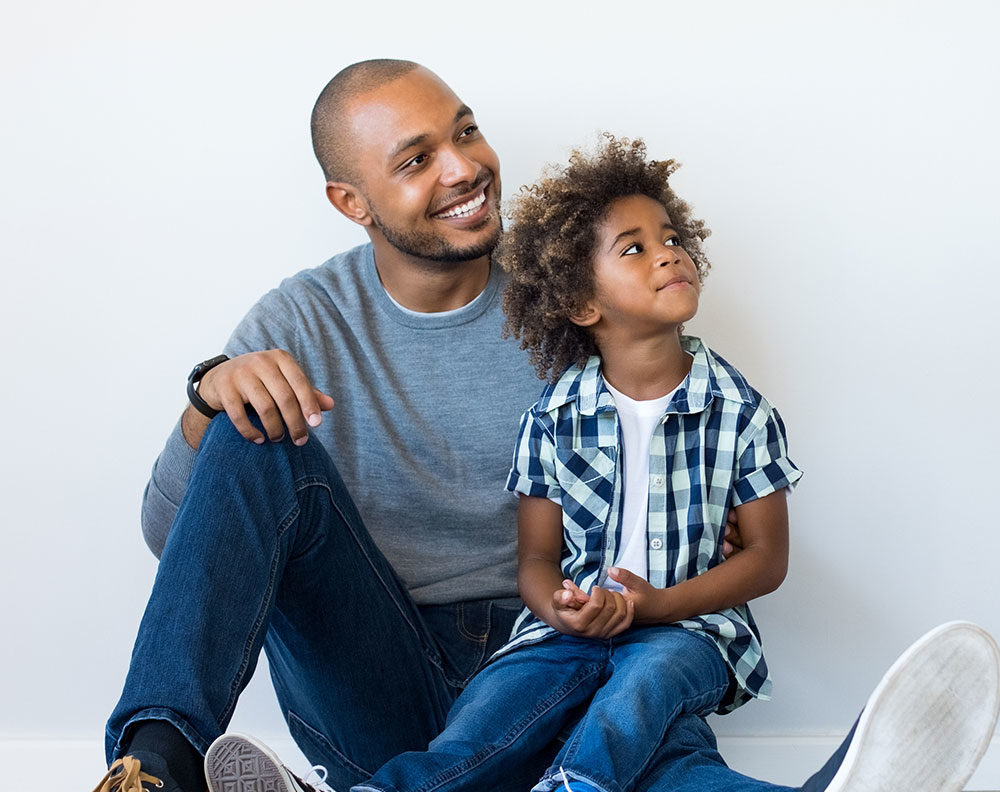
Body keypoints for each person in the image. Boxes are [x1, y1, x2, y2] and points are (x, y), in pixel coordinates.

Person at [93, 60, 1000, 792]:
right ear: (351, 201)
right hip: (384, 683)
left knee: (639, 735)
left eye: (466, 131)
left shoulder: (571, 308)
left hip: (571, 644)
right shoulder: (300, 322)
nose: (463, 168)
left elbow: (683, 461)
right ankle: (156, 769)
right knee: (249, 428)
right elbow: (179, 538)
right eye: (415, 160)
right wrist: (208, 398)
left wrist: (704, 511)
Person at [337, 133, 799, 792]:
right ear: (584, 304)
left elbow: (766, 560)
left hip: (690, 632)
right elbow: (535, 561)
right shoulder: (553, 418)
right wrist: (561, 609)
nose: (668, 253)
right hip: (564, 635)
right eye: (634, 248)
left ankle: (572, 785)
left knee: (640, 691)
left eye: (671, 238)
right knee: (488, 717)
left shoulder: (741, 411)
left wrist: (658, 605)